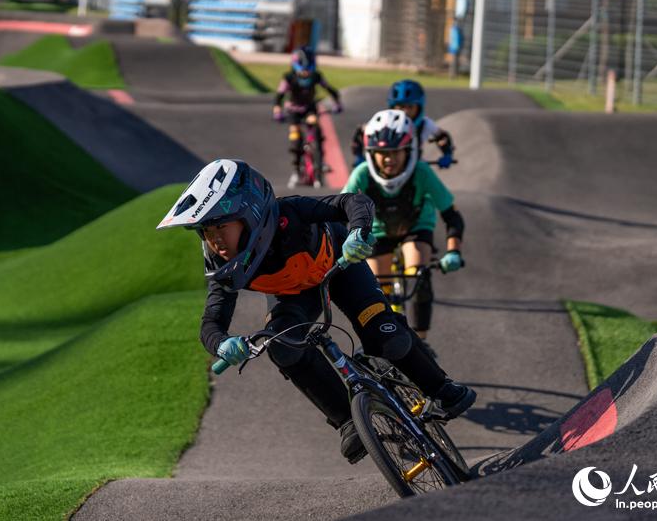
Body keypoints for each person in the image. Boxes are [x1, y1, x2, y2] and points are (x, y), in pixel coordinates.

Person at [158, 159, 476, 464]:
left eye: (220, 228)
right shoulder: (225, 269)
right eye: (206, 233)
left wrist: (358, 232)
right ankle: (348, 422)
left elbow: (353, 202)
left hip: (342, 267)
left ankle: (441, 388)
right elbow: (211, 323)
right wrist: (221, 344)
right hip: (294, 297)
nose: (215, 242)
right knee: (283, 349)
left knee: (384, 335)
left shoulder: (290, 212)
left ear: (251, 214)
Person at [343, 110, 465, 356]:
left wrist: (453, 251)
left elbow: (452, 215)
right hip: (377, 232)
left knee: (418, 274)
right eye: (382, 154)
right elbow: (339, 214)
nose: (389, 160)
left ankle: (420, 340)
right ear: (371, 154)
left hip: (415, 227)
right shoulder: (362, 175)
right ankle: (385, 333)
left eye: (395, 152)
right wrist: (350, 241)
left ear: (408, 150)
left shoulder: (422, 172)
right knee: (376, 288)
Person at [273, 46, 343, 188]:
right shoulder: (289, 77)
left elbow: (330, 89)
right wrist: (277, 110)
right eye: (303, 69)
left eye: (308, 69)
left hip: (310, 109)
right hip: (293, 111)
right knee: (295, 136)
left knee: (316, 131)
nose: (305, 73)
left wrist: (337, 103)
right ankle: (296, 169)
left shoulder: (316, 76)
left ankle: (320, 161)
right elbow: (279, 95)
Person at [351, 79, 454, 168]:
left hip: (414, 172)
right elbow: (360, 134)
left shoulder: (425, 124)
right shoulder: (382, 122)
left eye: (410, 107)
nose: (405, 112)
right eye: (400, 107)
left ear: (419, 108)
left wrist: (447, 155)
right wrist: (359, 156)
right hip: (385, 171)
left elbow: (443, 137)